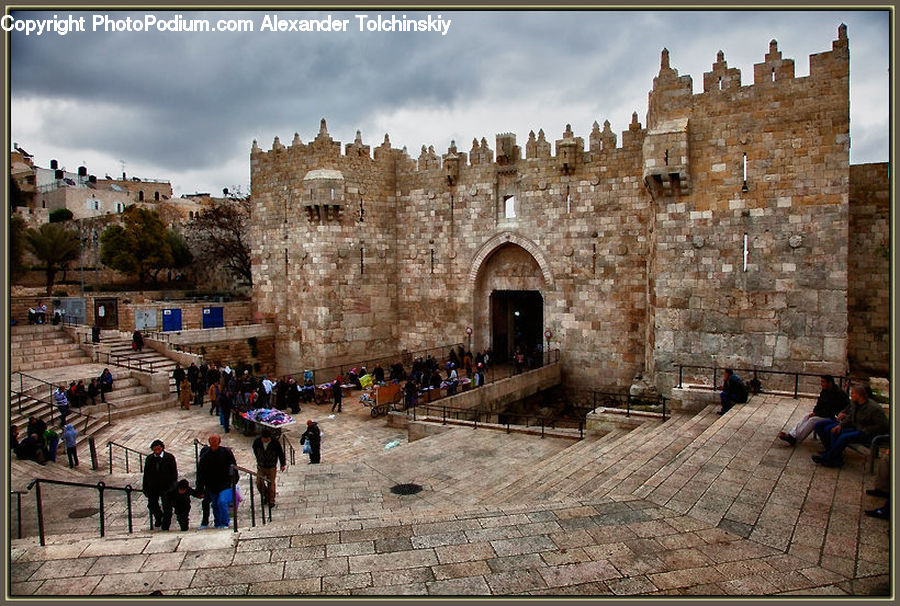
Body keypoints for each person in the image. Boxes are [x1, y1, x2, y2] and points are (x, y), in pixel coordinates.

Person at [812, 385, 890, 468]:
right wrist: (840, 425)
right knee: (835, 431)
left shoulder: (873, 408)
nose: (851, 395)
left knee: (844, 437)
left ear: (859, 395)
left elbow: (883, 425)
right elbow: (850, 417)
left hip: (868, 433)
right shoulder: (856, 404)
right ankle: (835, 457)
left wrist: (866, 430)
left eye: (853, 394)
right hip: (857, 428)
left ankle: (827, 457)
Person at [778, 375, 848, 446]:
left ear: (829, 383)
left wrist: (817, 414)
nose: (821, 384)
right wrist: (815, 412)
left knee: (812, 420)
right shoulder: (825, 391)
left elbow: (831, 409)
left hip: (832, 416)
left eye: (823, 382)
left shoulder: (838, 394)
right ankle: (792, 434)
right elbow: (819, 404)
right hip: (823, 413)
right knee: (806, 416)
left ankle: (797, 438)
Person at [196, 434, 238, 529]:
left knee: (222, 502)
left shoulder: (226, 452)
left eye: (215, 441)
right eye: (212, 441)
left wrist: (234, 481)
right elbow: (201, 472)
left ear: (219, 442)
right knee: (215, 504)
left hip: (225, 484)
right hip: (211, 485)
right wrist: (200, 487)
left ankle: (224, 522)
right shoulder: (205, 455)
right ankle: (218, 523)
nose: (214, 443)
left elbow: (233, 466)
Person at [142, 439, 178, 530]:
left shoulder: (169, 457)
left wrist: (173, 486)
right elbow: (146, 474)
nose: (157, 451)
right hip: (153, 487)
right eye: (155, 449)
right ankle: (159, 517)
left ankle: (166, 525)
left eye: (158, 449)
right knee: (152, 504)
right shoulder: (150, 459)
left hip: (166, 486)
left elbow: (174, 473)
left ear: (162, 448)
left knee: (167, 507)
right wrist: (145, 487)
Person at [252, 428, 286, 507]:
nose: (265, 440)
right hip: (261, 466)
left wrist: (282, 464)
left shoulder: (275, 443)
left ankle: (271, 500)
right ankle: (266, 495)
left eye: (266, 439)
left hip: (271, 466)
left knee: (271, 483)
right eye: (263, 438)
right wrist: (259, 458)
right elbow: (255, 451)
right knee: (259, 483)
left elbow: (280, 453)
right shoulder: (257, 442)